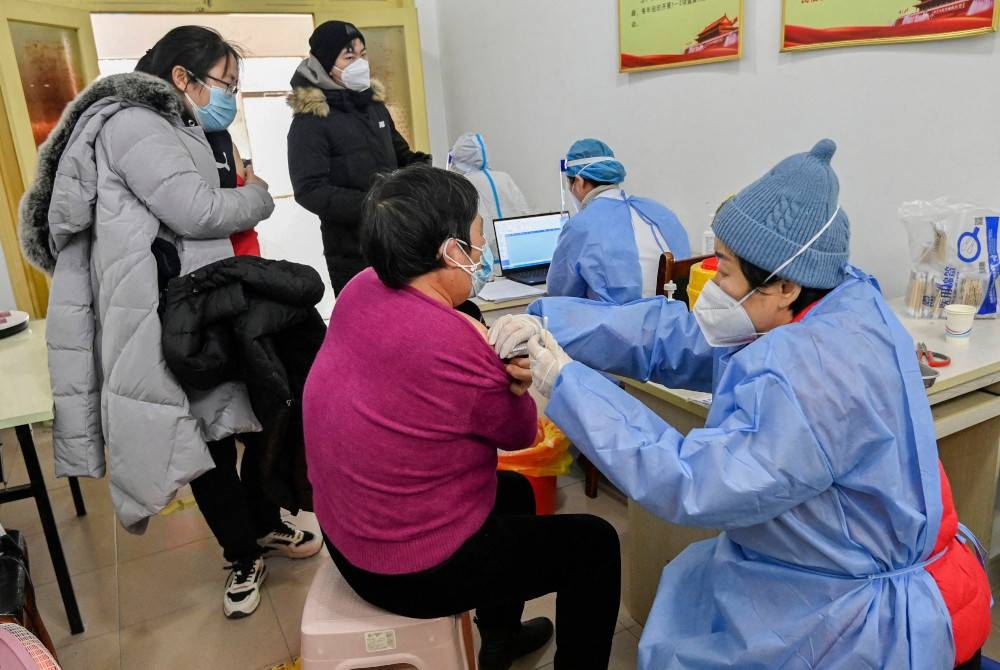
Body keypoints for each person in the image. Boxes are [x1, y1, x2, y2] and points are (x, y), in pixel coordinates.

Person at [490, 140, 991, 669]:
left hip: (863, 621)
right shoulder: (840, 298)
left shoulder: (810, 374)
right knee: (692, 584)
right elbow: (677, 336)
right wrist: (552, 322)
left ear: (783, 285)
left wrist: (564, 381)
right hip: (845, 557)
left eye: (723, 270)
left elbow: (692, 481)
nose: (712, 284)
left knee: (684, 626)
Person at [19, 25, 320, 622]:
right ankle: (241, 552)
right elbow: (199, 211)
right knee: (203, 435)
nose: (227, 97)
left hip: (201, 299)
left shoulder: (171, 125)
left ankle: (263, 524)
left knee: (253, 409)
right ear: (181, 78)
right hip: (169, 310)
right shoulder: (136, 123)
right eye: (222, 84)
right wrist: (258, 195)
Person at [302, 165, 621, 670]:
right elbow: (519, 433)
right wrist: (514, 379)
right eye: (476, 242)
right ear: (449, 252)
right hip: (408, 569)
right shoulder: (448, 338)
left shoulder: (362, 288)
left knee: (514, 493)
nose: (482, 254)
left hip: (345, 534)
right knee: (596, 545)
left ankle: (499, 638)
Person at [287, 20, 431, 295]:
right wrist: (373, 206)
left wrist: (427, 174)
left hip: (397, 241)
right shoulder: (311, 120)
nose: (360, 63)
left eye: (363, 55)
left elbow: (401, 155)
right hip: (352, 251)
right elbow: (309, 190)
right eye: (349, 57)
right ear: (327, 63)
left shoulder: (373, 106)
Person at [547, 138, 690, 303]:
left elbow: (560, 295)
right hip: (674, 320)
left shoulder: (580, 226)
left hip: (620, 325)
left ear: (579, 182)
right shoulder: (660, 212)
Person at [448, 131, 531, 256]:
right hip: (516, 256)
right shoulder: (504, 178)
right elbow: (525, 214)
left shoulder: (463, 184)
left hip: (482, 260)